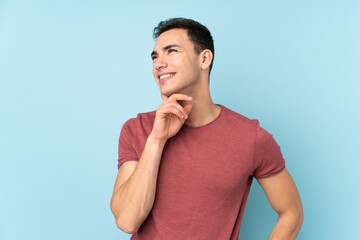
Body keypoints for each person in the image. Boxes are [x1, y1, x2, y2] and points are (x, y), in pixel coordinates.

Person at [110, 17, 303, 240]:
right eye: (155, 56)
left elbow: (292, 212)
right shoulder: (137, 129)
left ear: (204, 59)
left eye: (171, 51)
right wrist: (156, 139)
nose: (158, 63)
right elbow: (127, 220)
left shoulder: (251, 138)